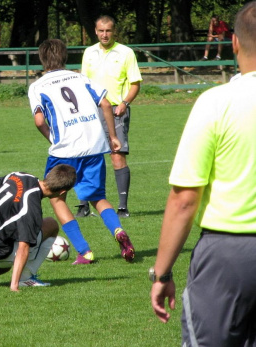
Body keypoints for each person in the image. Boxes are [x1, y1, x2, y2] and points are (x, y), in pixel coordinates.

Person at [151, 3, 256, 345]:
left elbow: (184, 199)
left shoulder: (216, 102)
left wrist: (163, 272)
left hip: (228, 255)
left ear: (235, 44)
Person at [29, 38, 135, 265]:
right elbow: (106, 104)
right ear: (65, 57)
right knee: (98, 197)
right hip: (94, 146)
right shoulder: (81, 78)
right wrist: (113, 137)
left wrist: (52, 137)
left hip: (64, 150)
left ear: (42, 59)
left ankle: (85, 252)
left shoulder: (38, 86)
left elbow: (39, 121)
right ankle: (118, 231)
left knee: (57, 199)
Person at [79, 15, 142, 218]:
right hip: (92, 110)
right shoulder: (89, 53)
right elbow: (84, 83)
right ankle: (84, 205)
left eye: (108, 31)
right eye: (101, 31)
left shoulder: (126, 53)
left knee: (117, 156)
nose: (104, 34)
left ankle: (122, 207)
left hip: (116, 110)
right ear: (95, 32)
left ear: (114, 32)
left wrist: (125, 103)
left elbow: (135, 83)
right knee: (87, 156)